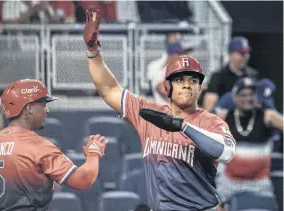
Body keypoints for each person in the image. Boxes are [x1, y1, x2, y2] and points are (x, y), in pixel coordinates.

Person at [83, 8, 236, 211]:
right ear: (167, 87)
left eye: (193, 80)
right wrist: (93, 51)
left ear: (201, 87)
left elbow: (226, 152)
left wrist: (182, 126)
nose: (187, 85)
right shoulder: (150, 114)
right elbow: (109, 89)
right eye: (179, 80)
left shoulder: (211, 122)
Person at [0, 79, 107, 211]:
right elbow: (84, 180)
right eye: (42, 104)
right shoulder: (39, 147)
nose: (46, 110)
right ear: (29, 108)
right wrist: (93, 154)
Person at [213, 78, 283, 205]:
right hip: (229, 183)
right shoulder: (224, 116)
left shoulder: (268, 116)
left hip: (259, 184)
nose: (248, 98)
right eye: (243, 95)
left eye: (251, 94)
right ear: (234, 97)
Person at [203, 36, 258, 111]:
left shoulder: (253, 75)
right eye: (241, 53)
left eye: (247, 53)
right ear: (230, 54)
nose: (245, 56)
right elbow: (209, 108)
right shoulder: (218, 76)